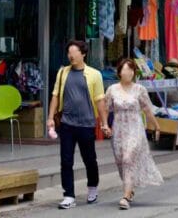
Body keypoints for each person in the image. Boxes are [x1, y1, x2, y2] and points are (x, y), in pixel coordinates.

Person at [47, 40, 109, 210]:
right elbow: (55, 96)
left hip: (87, 124)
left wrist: (104, 123)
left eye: (74, 52)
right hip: (67, 124)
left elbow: (100, 100)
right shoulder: (62, 73)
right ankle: (68, 195)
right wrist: (50, 117)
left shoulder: (94, 74)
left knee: (89, 159)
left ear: (83, 54)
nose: (71, 56)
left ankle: (92, 187)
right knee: (66, 161)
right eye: (69, 53)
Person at [106, 59, 164, 210]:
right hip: (118, 131)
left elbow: (147, 110)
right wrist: (104, 125)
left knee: (128, 158)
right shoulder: (112, 89)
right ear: (119, 72)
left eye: (131, 70)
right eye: (125, 70)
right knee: (121, 160)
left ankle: (125, 197)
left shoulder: (140, 89)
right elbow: (105, 109)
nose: (129, 73)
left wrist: (156, 126)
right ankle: (129, 188)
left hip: (135, 129)